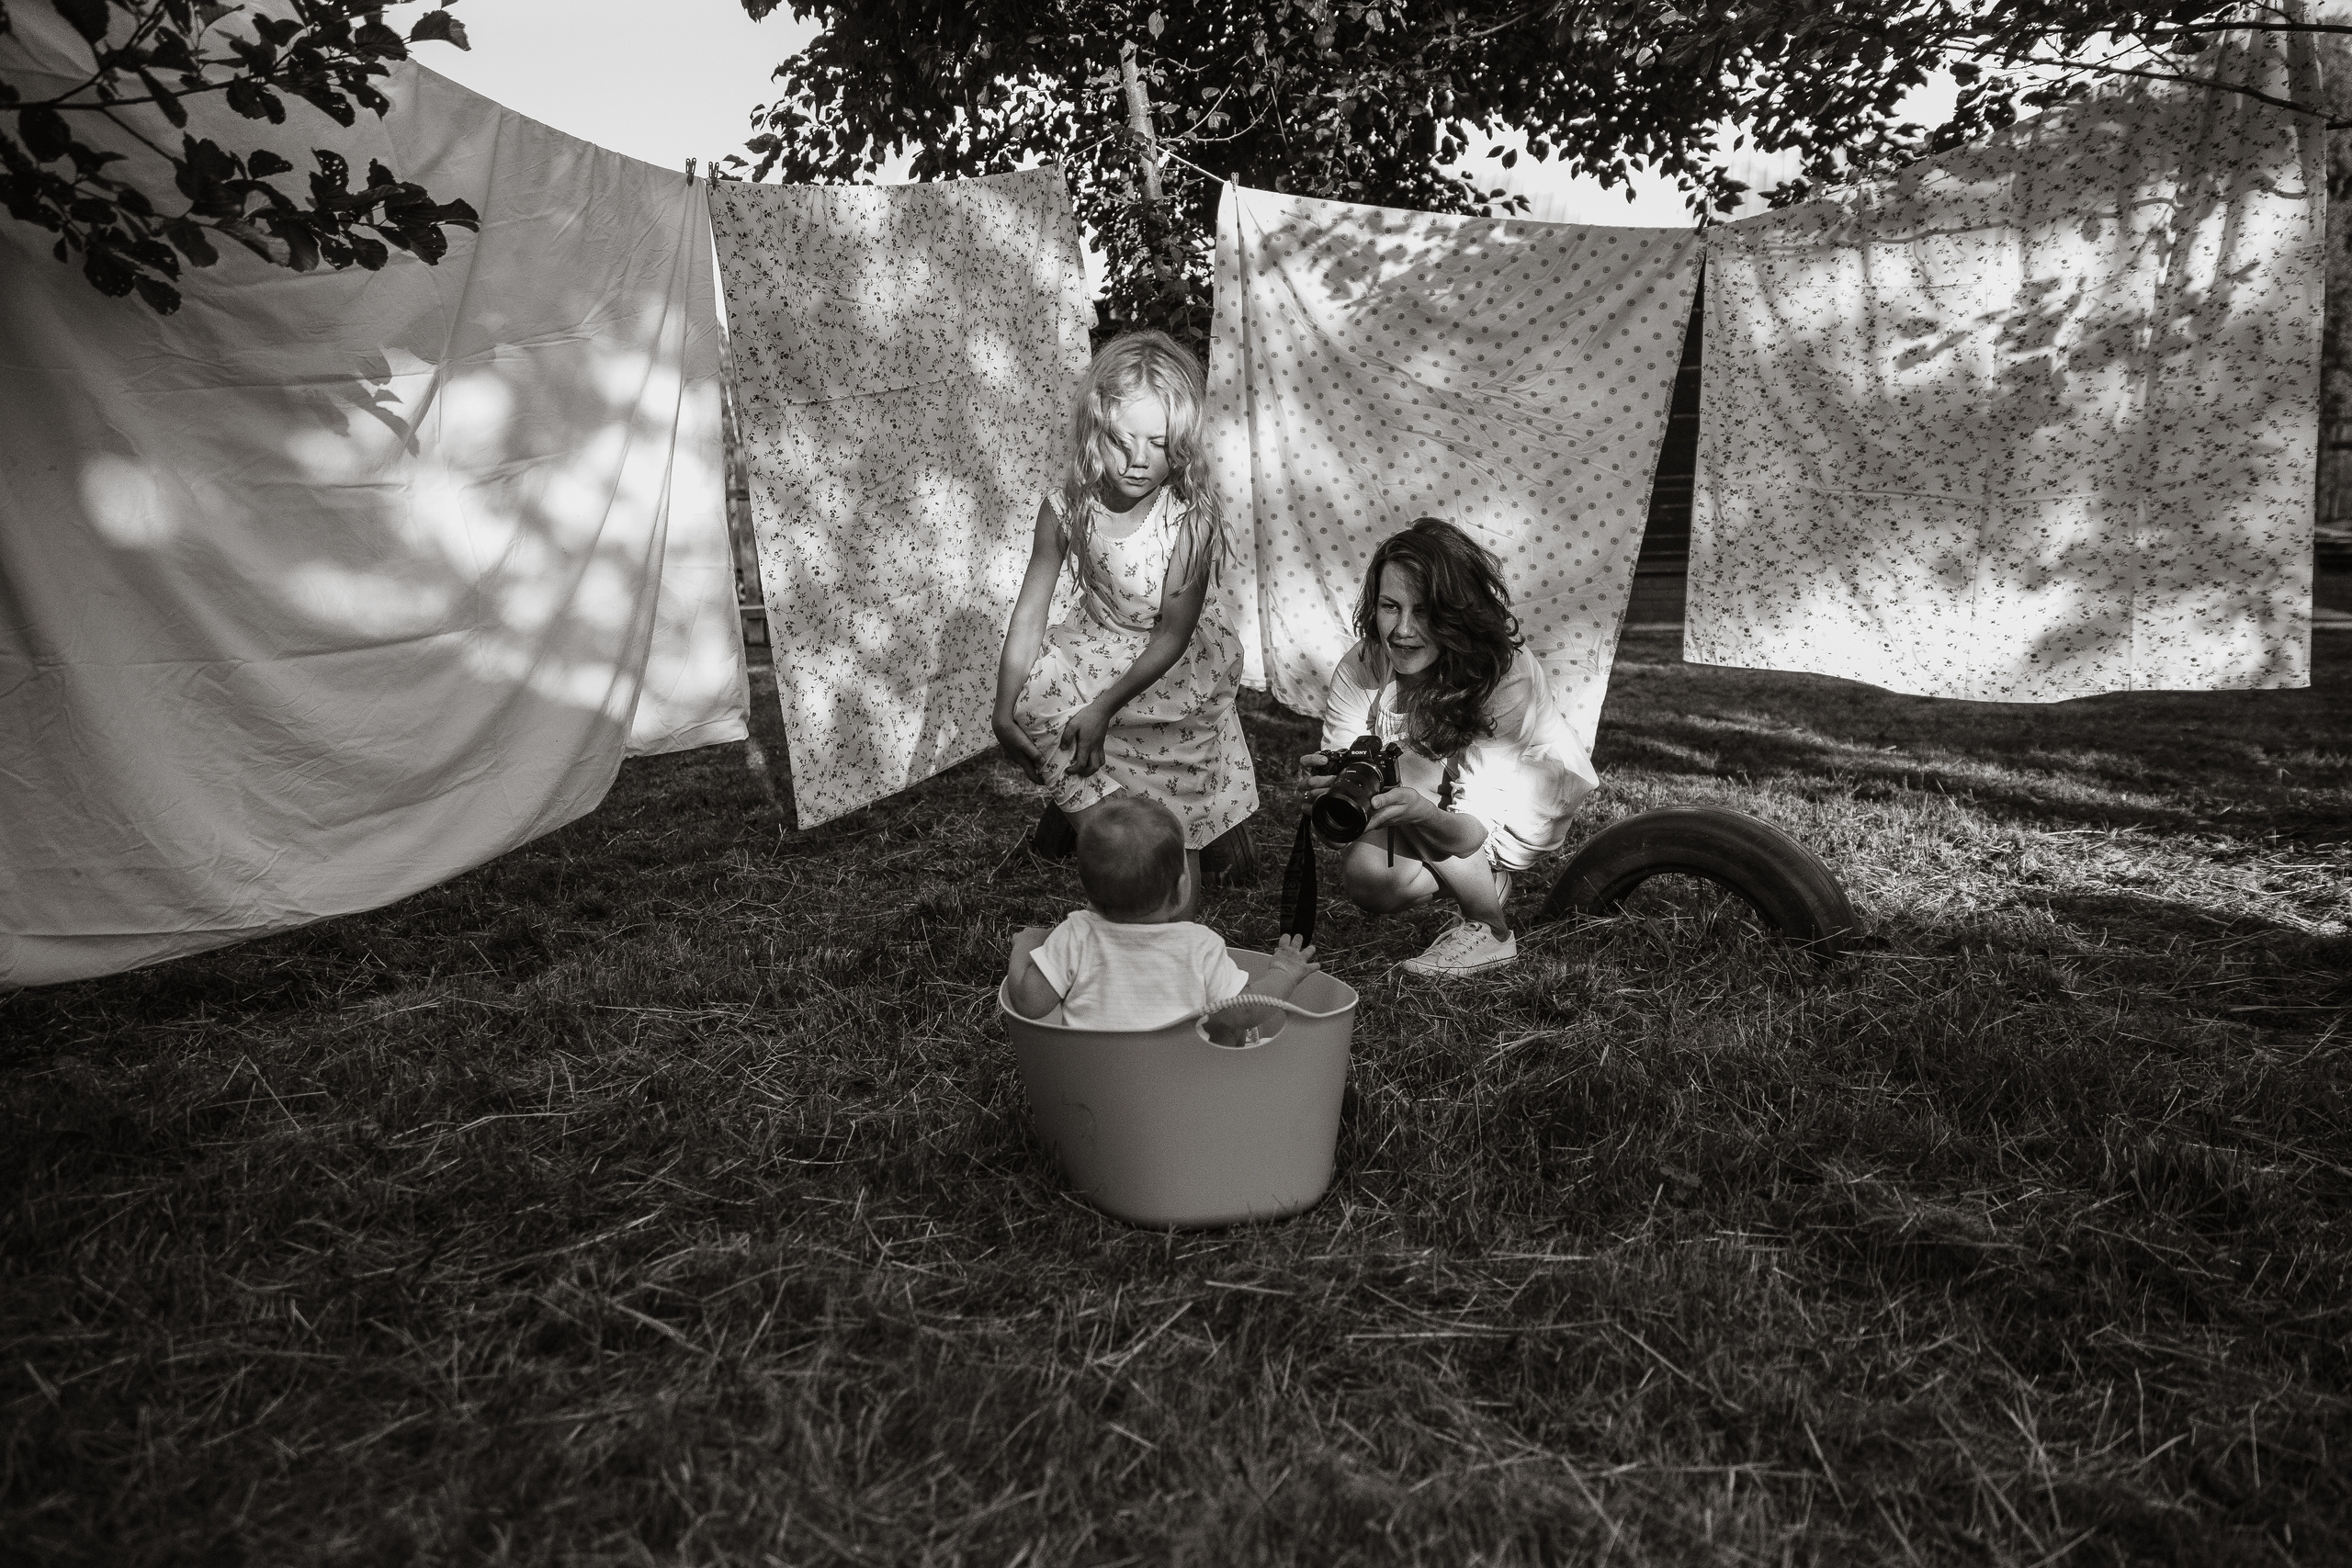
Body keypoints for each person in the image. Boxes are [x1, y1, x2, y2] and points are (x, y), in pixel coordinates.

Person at [993, 330, 1258, 919]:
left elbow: (1173, 632)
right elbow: (1032, 607)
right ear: (1095, 429)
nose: (1139, 460)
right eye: (1122, 440)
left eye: (1159, 444)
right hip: (1098, 645)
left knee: (1174, 807)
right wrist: (1003, 707)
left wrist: (1103, 707)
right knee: (1049, 715)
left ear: (1182, 443)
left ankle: (1177, 930)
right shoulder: (1068, 505)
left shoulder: (1190, 516)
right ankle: (1116, 881)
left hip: (1170, 667)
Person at [1301, 518, 1598, 977]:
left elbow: (1472, 829)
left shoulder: (1503, 672)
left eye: (1423, 611)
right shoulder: (1362, 666)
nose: (1401, 630)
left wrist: (1418, 812)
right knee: (1369, 881)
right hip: (1431, 803)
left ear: (1456, 612)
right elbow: (1347, 788)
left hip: (1515, 806)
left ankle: (1491, 929)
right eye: (1389, 607)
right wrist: (1331, 784)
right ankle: (1482, 879)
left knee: (1404, 767)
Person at [1005, 797, 1317, 1035]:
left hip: (1094, 1092)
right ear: (1182, 892)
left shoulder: (1074, 936)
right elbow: (1244, 1014)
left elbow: (1029, 1003)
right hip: (1179, 1092)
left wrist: (1024, 945)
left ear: (1089, 896)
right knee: (1231, 1034)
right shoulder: (1199, 946)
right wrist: (1284, 974)